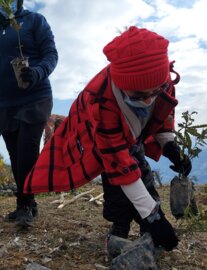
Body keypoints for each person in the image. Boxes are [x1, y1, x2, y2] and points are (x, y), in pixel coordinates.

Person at [23, 26, 192, 252]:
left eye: (156, 92)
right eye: (140, 96)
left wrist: (169, 144)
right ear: (123, 86)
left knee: (144, 176)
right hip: (100, 139)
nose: (148, 100)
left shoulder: (162, 80)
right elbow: (118, 163)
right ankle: (118, 231)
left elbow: (162, 114)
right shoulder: (101, 102)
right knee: (117, 184)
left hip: (132, 136)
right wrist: (154, 217)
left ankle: (147, 235)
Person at [0, 0, 58, 226]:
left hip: (35, 97)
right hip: (5, 102)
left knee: (27, 149)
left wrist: (37, 72)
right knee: (16, 154)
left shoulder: (35, 21)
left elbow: (51, 55)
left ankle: (24, 204)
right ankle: (30, 202)